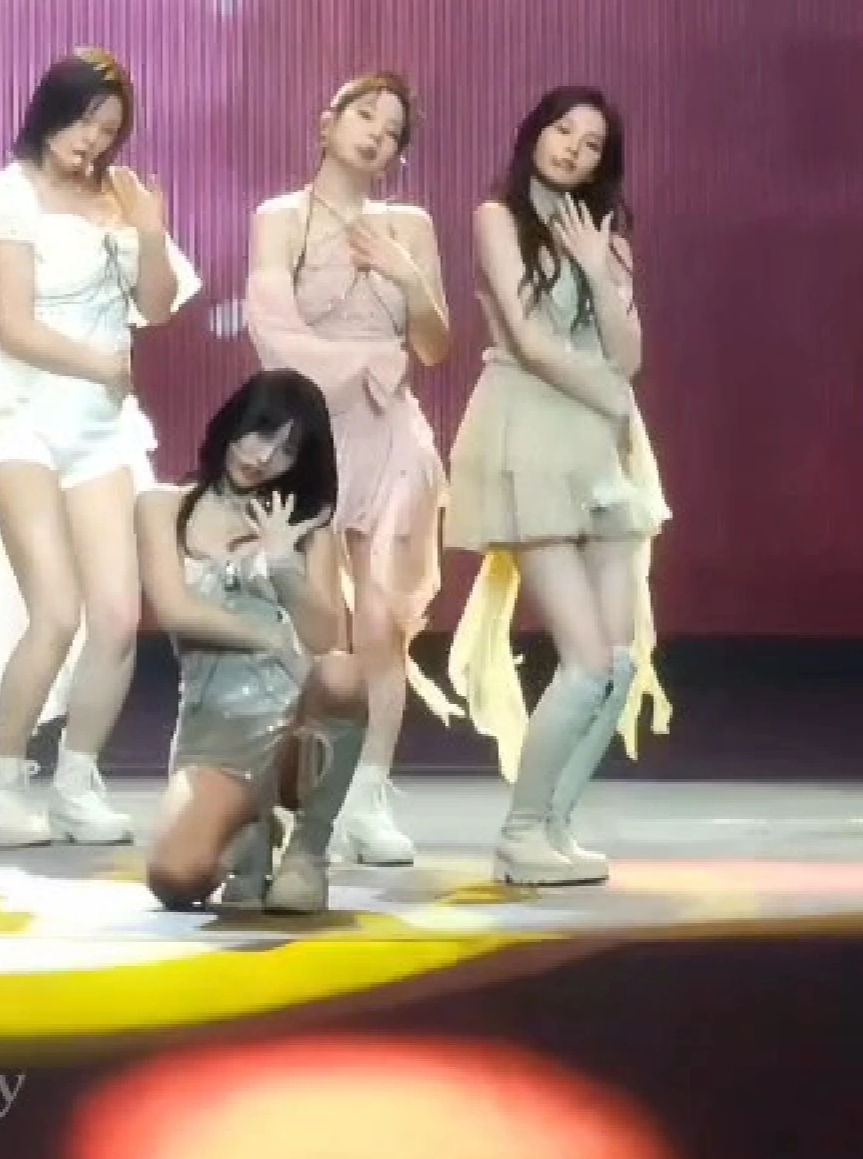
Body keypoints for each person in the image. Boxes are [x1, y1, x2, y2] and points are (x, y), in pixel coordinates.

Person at [0, 49, 199, 848]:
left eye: (108, 129)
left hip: (101, 424)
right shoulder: (7, 194)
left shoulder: (120, 196)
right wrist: (101, 364)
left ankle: (77, 782)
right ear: (50, 111)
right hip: (19, 410)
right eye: (83, 121)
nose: (92, 141)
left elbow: (155, 307)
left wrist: (151, 232)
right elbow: (14, 326)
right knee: (56, 610)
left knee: (120, 615)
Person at [441, 86, 672, 887]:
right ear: (534, 134)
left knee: (617, 664)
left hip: (600, 448)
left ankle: (554, 826)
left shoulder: (608, 240)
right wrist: (610, 395)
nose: (572, 147)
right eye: (562, 130)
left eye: (592, 142)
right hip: (531, 431)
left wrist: (600, 272)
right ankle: (520, 833)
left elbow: (630, 353)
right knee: (583, 659)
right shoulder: (496, 218)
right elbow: (532, 342)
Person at [244, 72, 456, 865]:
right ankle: (304, 795)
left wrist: (408, 277)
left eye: (393, 130)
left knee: (382, 623)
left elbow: (434, 345)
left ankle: (368, 795)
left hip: (391, 433)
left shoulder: (409, 226)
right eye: (365, 115)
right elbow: (274, 336)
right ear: (327, 121)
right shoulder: (281, 219)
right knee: (315, 628)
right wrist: (369, 361)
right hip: (308, 433)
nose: (376, 134)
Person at [137, 370, 370, 915]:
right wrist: (271, 637)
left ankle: (306, 852)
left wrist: (284, 564)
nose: (263, 457)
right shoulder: (163, 507)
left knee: (342, 674)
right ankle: (248, 829)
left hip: (291, 729)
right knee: (175, 879)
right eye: (260, 432)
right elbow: (175, 610)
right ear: (233, 421)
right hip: (214, 740)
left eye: (287, 450)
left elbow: (325, 638)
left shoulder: (308, 528)